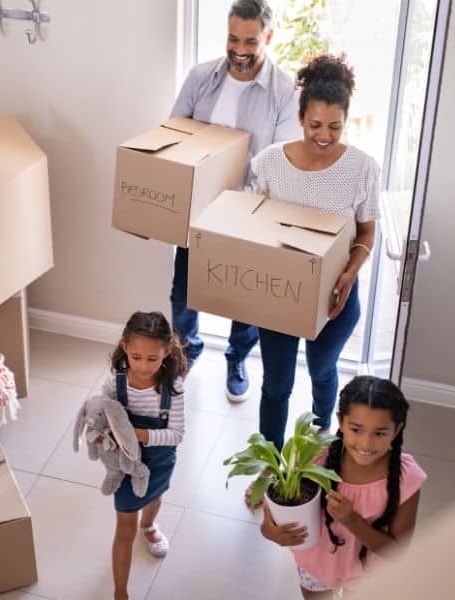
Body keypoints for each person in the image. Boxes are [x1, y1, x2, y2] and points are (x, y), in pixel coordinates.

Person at [170, 0, 301, 402]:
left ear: (269, 37)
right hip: (197, 208)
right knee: (183, 291)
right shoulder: (200, 78)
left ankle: (236, 357)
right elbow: (174, 133)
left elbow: (279, 162)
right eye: (232, 38)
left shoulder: (284, 91)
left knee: (244, 299)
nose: (239, 49)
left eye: (250, 40)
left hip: (248, 212)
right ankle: (186, 351)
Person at [249, 53, 380, 452]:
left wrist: (349, 273)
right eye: (315, 125)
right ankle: (268, 465)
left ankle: (324, 434)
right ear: (300, 116)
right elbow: (253, 225)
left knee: (323, 370)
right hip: (280, 295)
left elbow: (367, 232)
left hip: (336, 295)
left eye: (335, 127)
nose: (324, 135)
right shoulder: (270, 162)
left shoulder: (362, 168)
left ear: (346, 121)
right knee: (276, 385)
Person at [260, 375, 427, 598]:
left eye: (379, 433)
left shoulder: (407, 480)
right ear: (341, 422)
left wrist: (352, 521)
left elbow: (397, 552)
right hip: (315, 566)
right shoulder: (314, 458)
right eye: (356, 429)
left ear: (396, 430)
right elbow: (273, 516)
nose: (366, 444)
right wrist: (270, 532)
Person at [103, 311, 187, 600]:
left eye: (152, 359)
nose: (142, 366)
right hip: (127, 463)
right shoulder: (116, 382)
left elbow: (177, 434)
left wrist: (140, 435)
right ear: (125, 347)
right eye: (136, 357)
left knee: (155, 496)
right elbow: (103, 414)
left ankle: (150, 525)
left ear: (167, 352)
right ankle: (120, 592)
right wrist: (107, 432)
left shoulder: (173, 389)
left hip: (160, 459)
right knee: (124, 527)